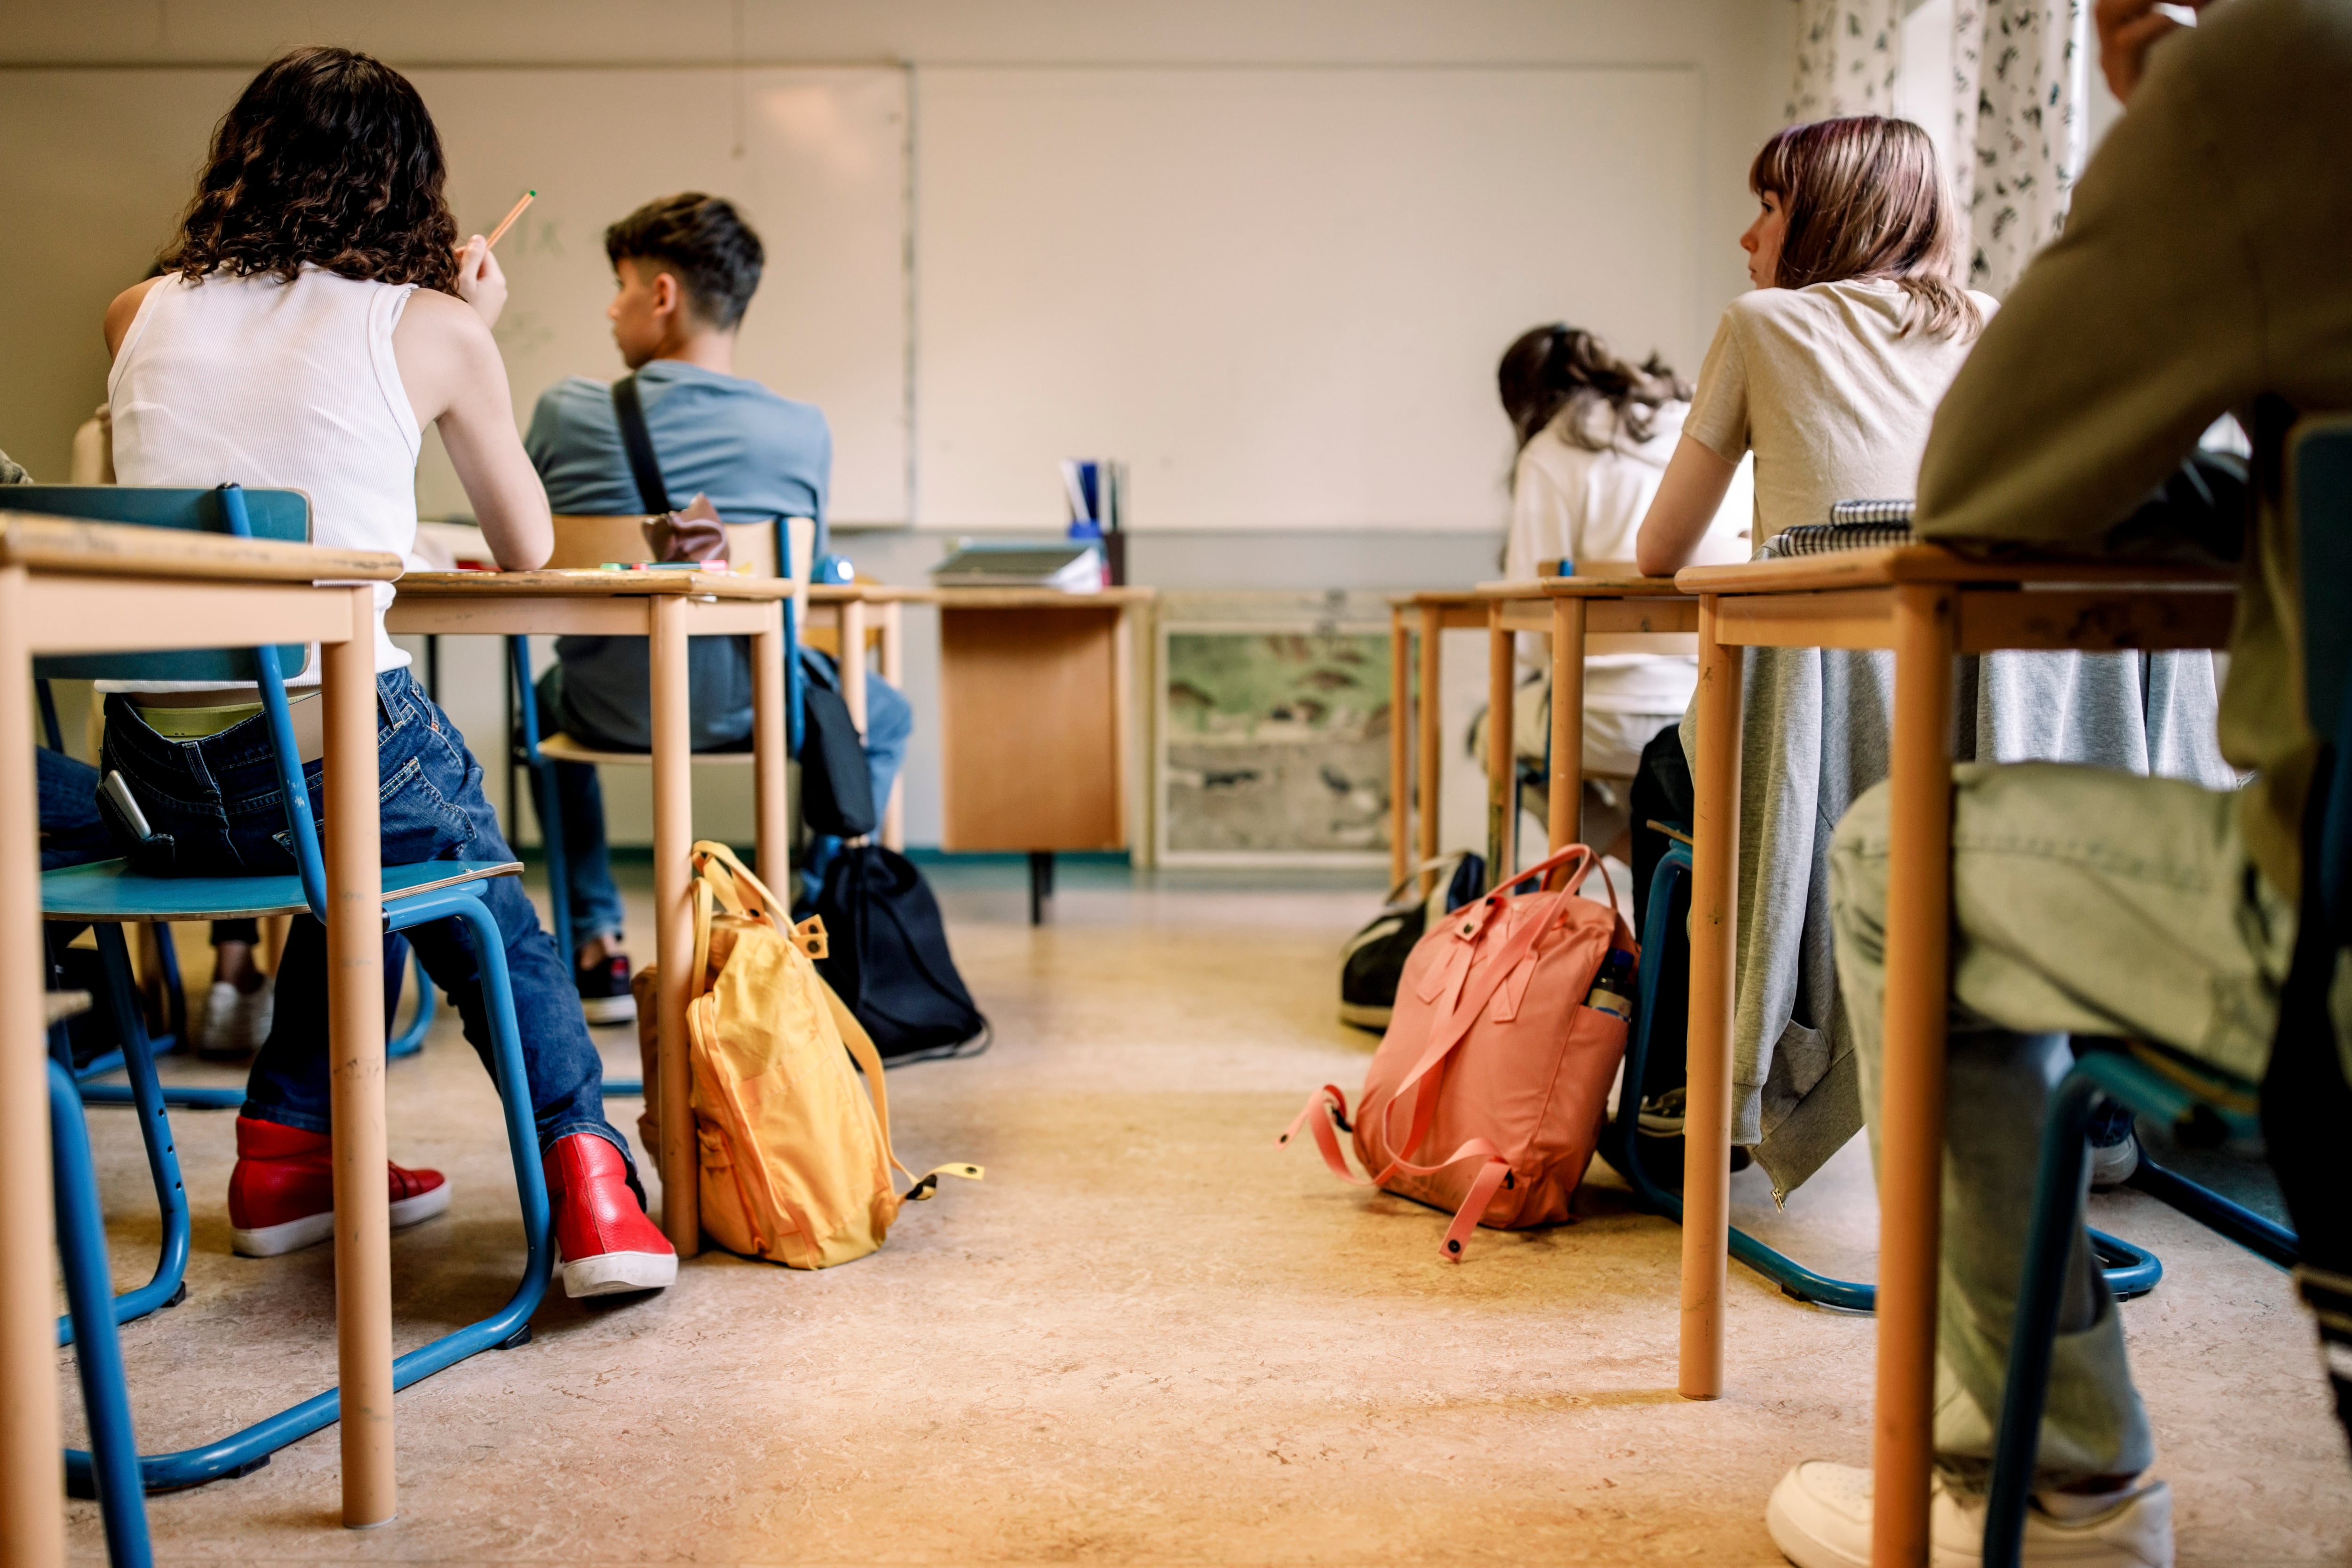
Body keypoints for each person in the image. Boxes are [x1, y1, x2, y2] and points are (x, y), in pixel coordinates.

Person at [1767, 1, 2352, 1562]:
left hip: (2335, 950)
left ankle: (2058, 1481)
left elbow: (1982, 484)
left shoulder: (2274, 77)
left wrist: (2174, 108)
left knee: (1898, 856)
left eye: (1761, 205)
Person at [96, 45, 674, 1299]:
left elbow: (219, 482)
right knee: (463, 877)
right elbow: (525, 547)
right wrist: (477, 331)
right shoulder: (434, 326)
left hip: (149, 784)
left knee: (359, 850)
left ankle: (290, 1153)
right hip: (314, 749)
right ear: (410, 189)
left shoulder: (136, 311)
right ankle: (589, 1173)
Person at [1628, 114, 2232, 1199]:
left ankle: (1699, 1097)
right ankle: (2057, 1072)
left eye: (1768, 205)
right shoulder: (1996, 327)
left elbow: (1659, 551)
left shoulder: (1762, 324)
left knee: (1665, 774)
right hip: (2009, 752)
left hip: (1836, 763)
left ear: (1830, 215)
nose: (1745, 234)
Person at [522, 192, 914, 1022]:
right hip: (753, 707)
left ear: (662, 294)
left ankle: (594, 941)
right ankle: (791, 920)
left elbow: (524, 544)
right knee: (885, 710)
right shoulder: (802, 431)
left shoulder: (566, 412)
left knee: (536, 706)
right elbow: (798, 579)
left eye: (621, 285)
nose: (611, 306)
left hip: (604, 707)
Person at [1493, 325, 1748, 860]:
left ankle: (1637, 854)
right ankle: (1668, 861)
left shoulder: (1550, 450)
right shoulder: (1696, 425)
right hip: (1705, 710)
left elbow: (1533, 633)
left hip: (1591, 715)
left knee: (1490, 737)